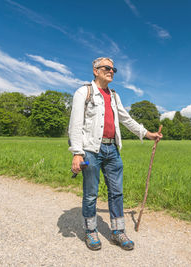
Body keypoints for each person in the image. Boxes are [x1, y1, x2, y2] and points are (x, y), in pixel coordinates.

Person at [68, 57, 162, 251]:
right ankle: (91, 231)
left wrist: (147, 134)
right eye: (107, 68)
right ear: (95, 70)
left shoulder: (115, 96)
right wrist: (77, 153)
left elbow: (126, 119)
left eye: (113, 69)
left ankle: (118, 231)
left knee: (117, 192)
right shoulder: (83, 92)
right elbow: (75, 125)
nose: (111, 71)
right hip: (91, 150)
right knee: (91, 194)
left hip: (113, 149)